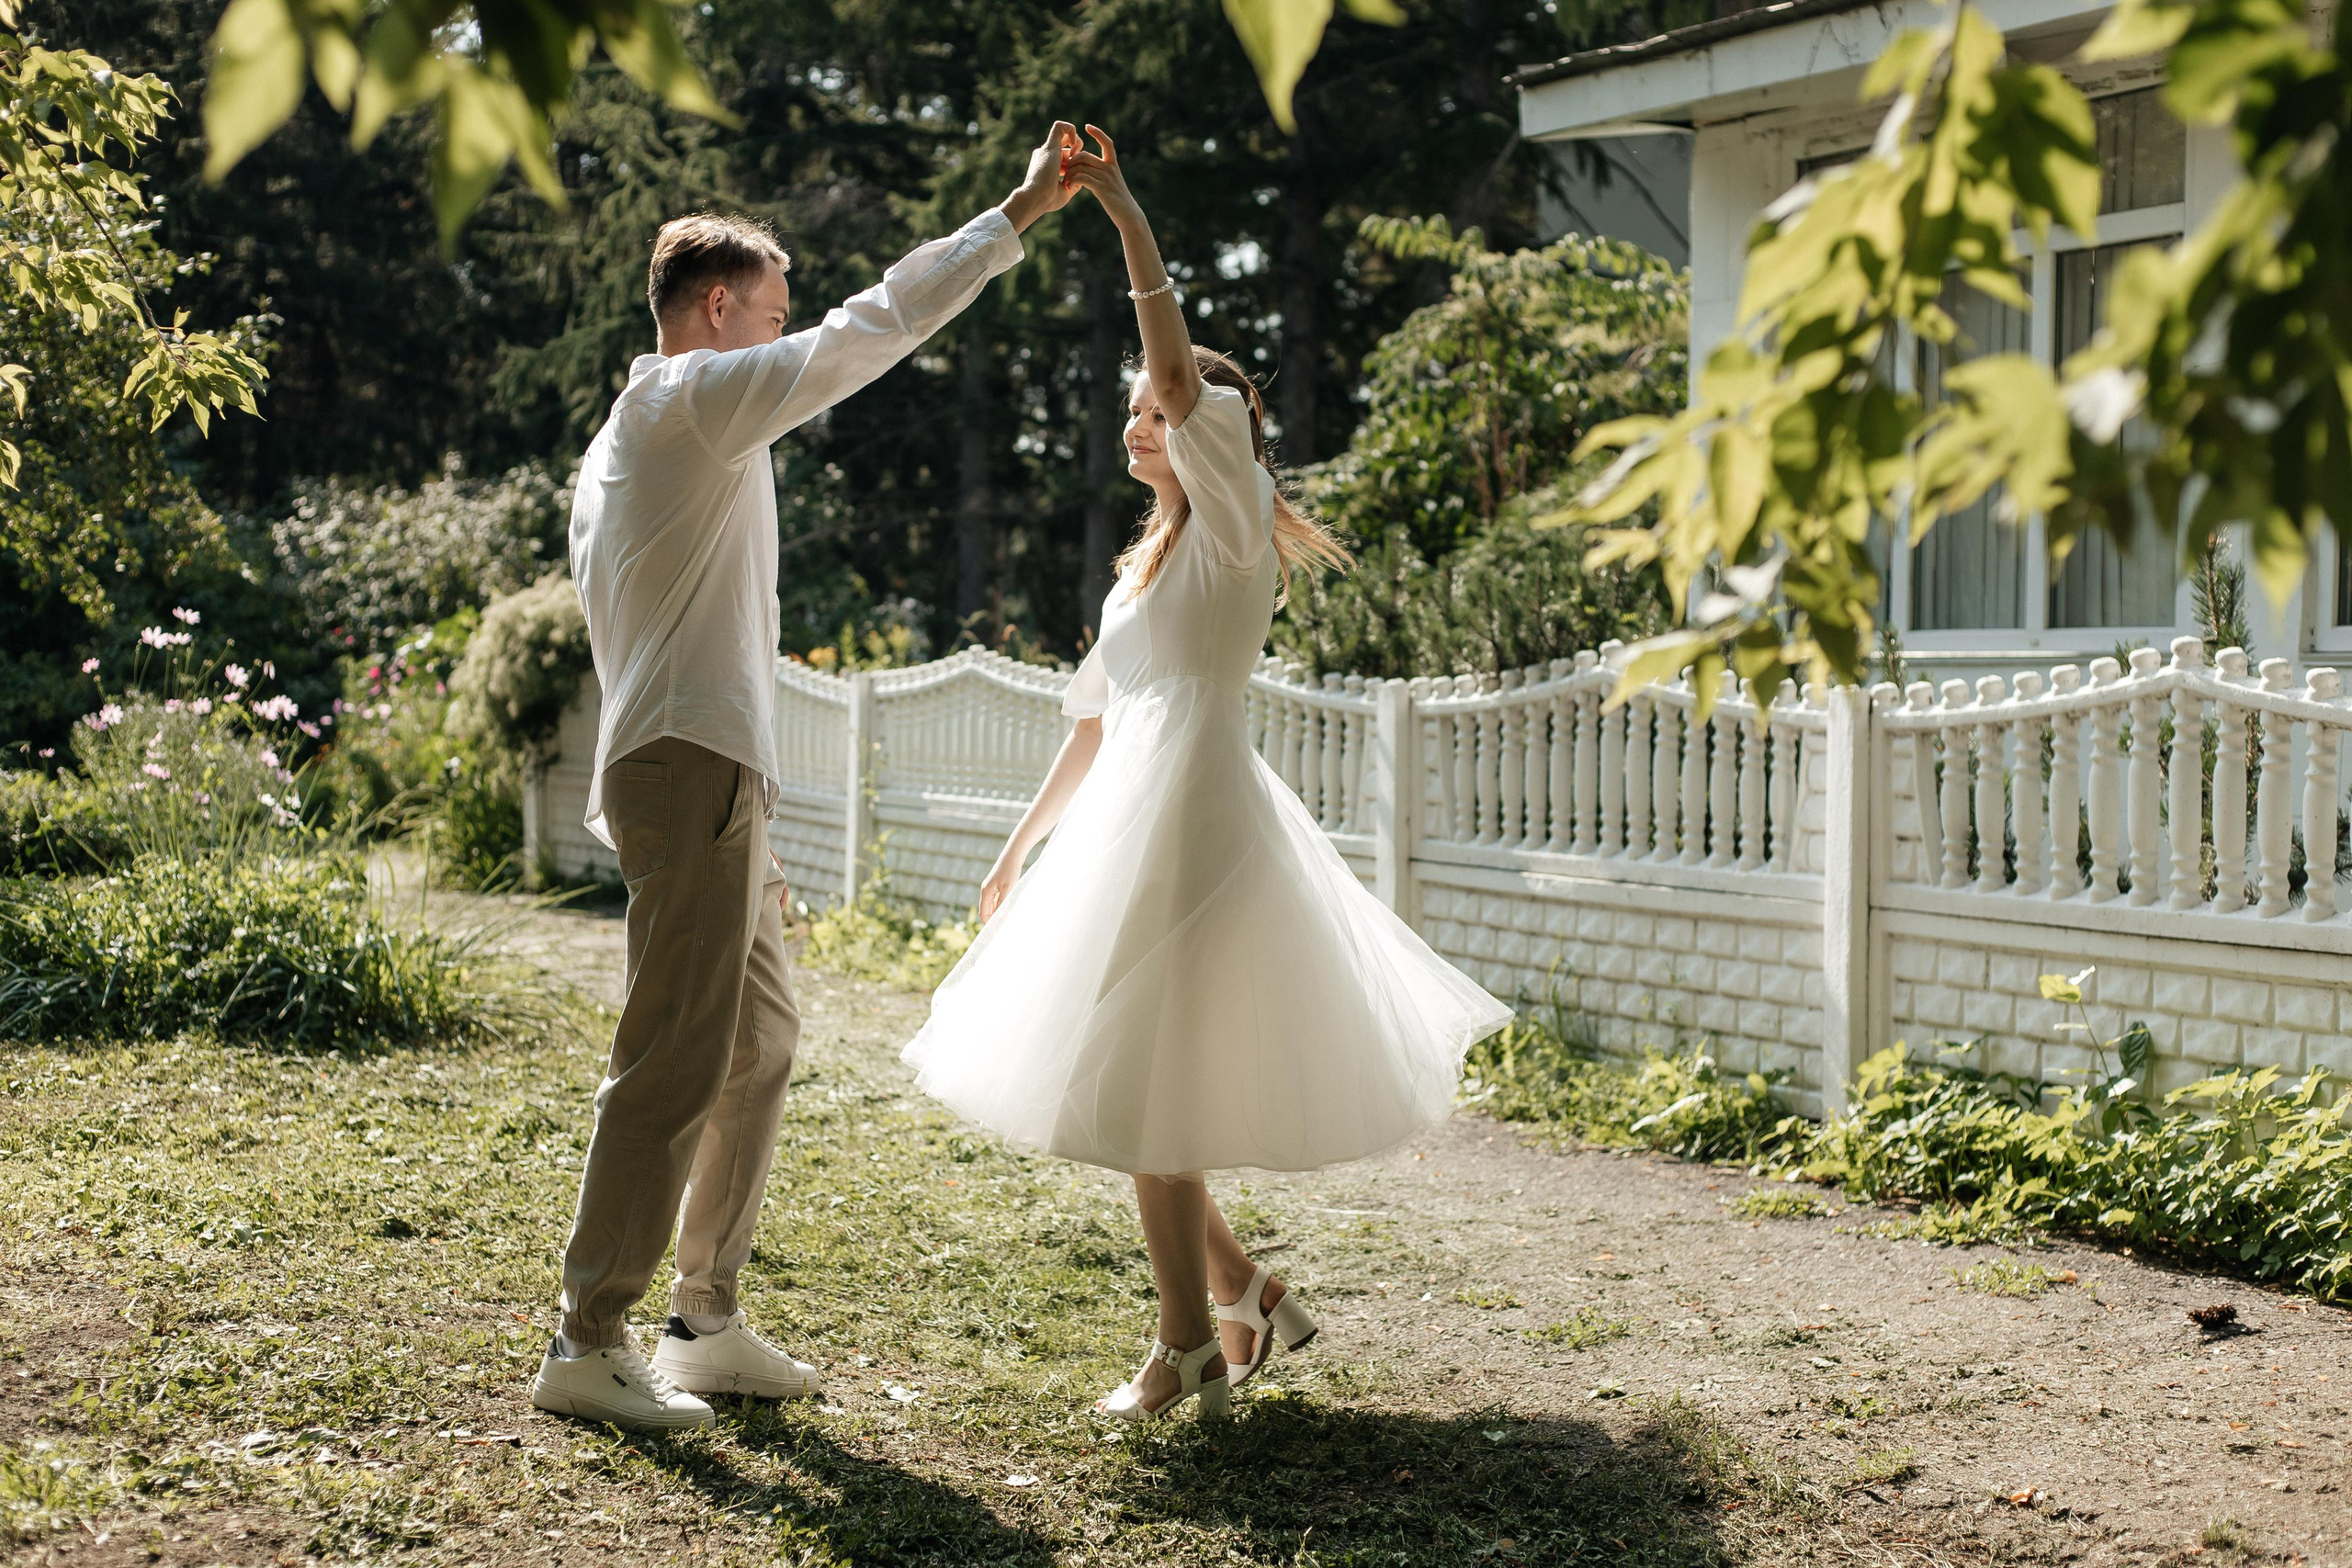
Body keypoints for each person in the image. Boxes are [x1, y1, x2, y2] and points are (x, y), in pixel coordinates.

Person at [900, 128, 1514, 1423]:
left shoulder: (1232, 529)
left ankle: (1186, 1342)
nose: (1141, 417)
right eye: (1134, 408)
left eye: (1154, 407)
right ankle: (1246, 1301)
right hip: (1133, 816)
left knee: (1143, 1082)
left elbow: (1180, 372)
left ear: (1214, 433)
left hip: (1200, 822)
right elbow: (1092, 722)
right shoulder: (1146, 565)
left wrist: (1122, 214)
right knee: (1141, 1080)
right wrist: (1017, 854)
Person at [529, 123, 1081, 1434]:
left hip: (708, 773)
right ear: (716, 310)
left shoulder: (636, 436)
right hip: (689, 764)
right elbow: (865, 331)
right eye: (768, 313)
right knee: (673, 1057)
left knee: (760, 1042)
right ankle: (586, 1336)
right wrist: (1010, 216)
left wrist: (753, 823)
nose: (784, 337)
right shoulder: (685, 400)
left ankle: (700, 1319)